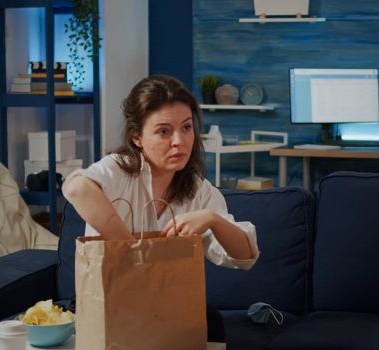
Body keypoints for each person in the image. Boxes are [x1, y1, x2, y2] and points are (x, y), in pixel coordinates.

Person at [62, 74, 259, 341]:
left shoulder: (198, 190)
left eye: (187, 128)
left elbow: (245, 256)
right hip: (110, 298)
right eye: (164, 131)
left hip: (164, 303)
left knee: (210, 322)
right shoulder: (117, 169)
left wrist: (212, 219)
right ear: (137, 138)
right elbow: (76, 188)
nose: (179, 141)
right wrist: (134, 253)